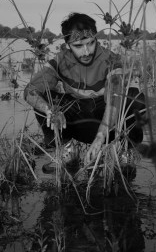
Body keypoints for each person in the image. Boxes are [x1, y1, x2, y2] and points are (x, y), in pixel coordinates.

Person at [24, 12, 144, 173]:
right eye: (78, 46)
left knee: (134, 97)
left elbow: (115, 100)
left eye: (90, 43)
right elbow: (30, 90)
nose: (86, 52)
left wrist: (100, 137)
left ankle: (125, 151)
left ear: (96, 39)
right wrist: (49, 110)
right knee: (44, 97)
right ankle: (67, 150)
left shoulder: (111, 60)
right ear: (67, 45)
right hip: (77, 119)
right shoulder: (60, 61)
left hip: (108, 123)